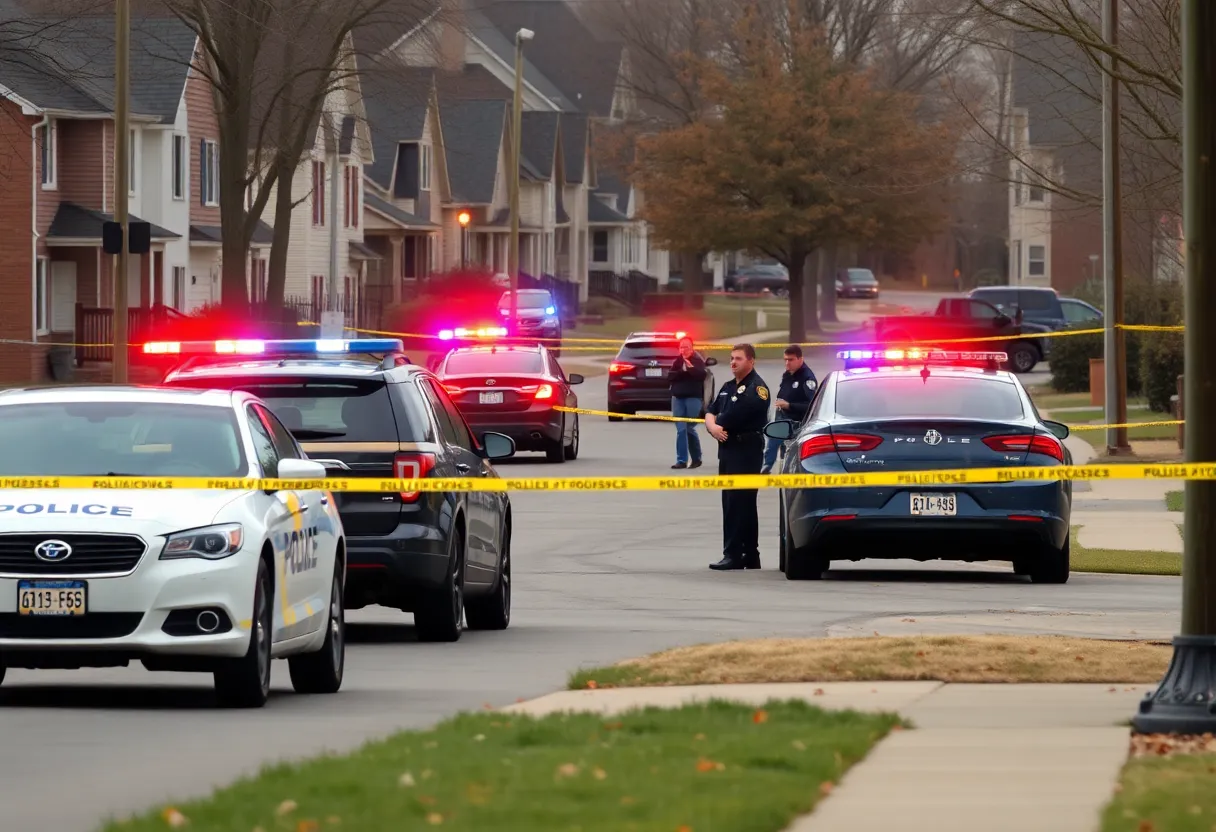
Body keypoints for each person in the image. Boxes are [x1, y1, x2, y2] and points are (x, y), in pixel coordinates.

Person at [704, 343, 770, 571]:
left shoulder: (757, 389)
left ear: (751, 361)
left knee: (740, 503)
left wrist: (715, 423)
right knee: (733, 502)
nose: (733, 362)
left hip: (746, 450)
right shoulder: (727, 386)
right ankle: (748, 554)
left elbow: (729, 417)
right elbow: (710, 411)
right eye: (732, 358)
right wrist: (712, 427)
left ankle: (735, 554)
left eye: (738, 358)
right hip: (729, 451)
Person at [761, 345, 818, 473]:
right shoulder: (787, 374)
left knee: (789, 450)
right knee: (773, 443)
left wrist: (789, 405)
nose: (787, 363)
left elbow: (811, 406)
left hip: (794, 421)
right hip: (781, 416)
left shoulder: (807, 378)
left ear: (800, 359)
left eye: (791, 360)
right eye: (785, 360)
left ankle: (785, 471)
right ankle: (767, 467)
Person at [668, 336, 706, 469]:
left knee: (689, 428)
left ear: (692, 348)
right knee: (681, 429)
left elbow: (702, 375)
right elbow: (670, 376)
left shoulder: (697, 361)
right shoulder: (677, 362)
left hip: (693, 398)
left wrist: (690, 369)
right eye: (681, 347)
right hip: (678, 398)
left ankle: (696, 458)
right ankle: (681, 460)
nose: (684, 350)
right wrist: (681, 372)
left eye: (686, 347)